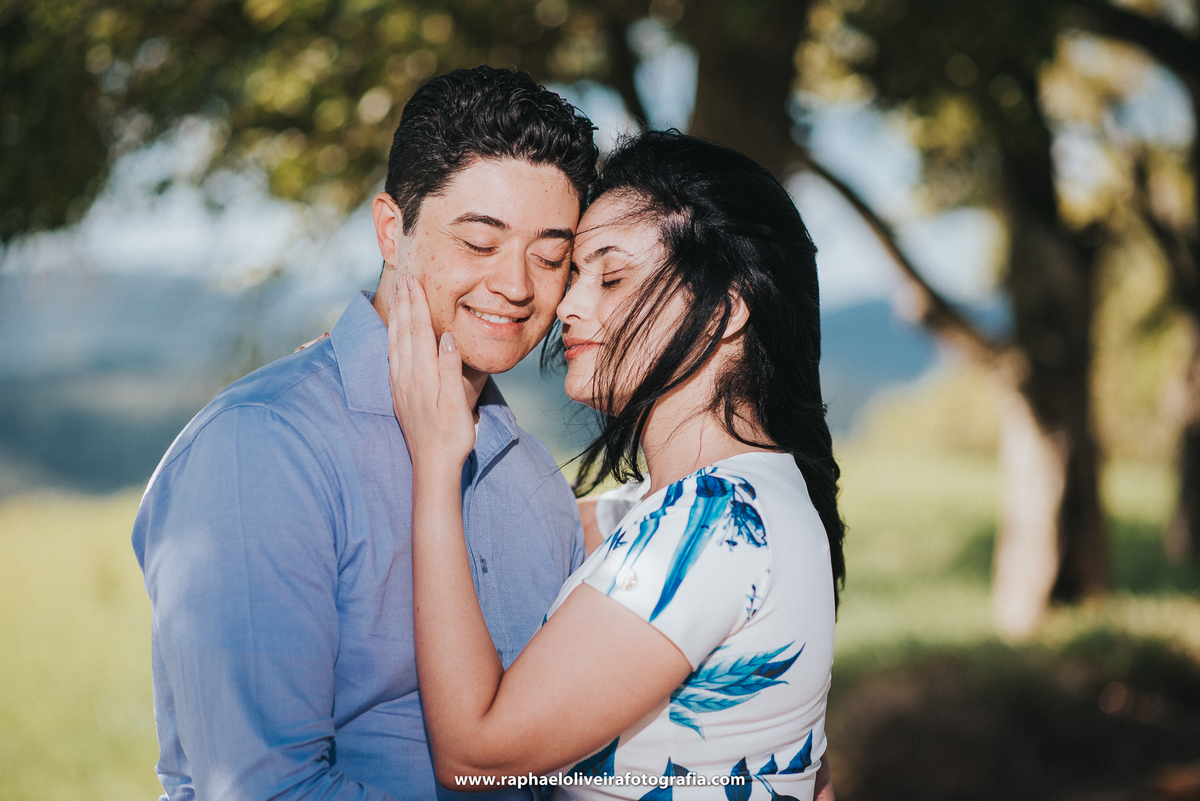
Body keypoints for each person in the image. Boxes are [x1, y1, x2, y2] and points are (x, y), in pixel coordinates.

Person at [131, 66, 597, 800]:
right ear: (391, 227)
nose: (517, 284)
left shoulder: (533, 474)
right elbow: (265, 789)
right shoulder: (263, 448)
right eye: (480, 243)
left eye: (549, 255)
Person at [389, 130, 847, 800]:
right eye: (573, 274)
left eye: (611, 275)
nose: (569, 307)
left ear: (725, 310)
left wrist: (435, 462)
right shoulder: (702, 505)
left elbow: (476, 753)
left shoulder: (715, 521)